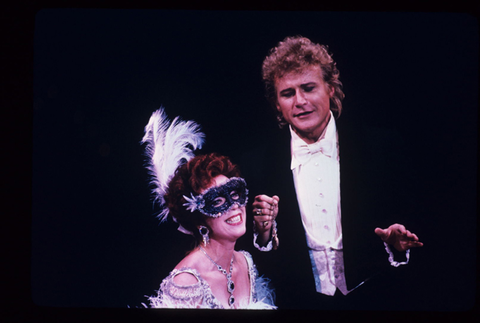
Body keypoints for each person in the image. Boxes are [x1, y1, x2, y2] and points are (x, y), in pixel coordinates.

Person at [242, 36, 423, 310]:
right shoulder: (257, 164)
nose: (300, 101)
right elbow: (256, 255)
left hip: (377, 299)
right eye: (287, 93)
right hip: (298, 305)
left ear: (331, 89)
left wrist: (396, 242)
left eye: (309, 88)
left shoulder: (381, 147)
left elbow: (417, 218)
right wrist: (263, 232)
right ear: (276, 103)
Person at [140, 108, 276, 309]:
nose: (235, 206)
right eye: (218, 201)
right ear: (199, 219)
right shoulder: (185, 283)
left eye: (236, 193)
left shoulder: (245, 263)